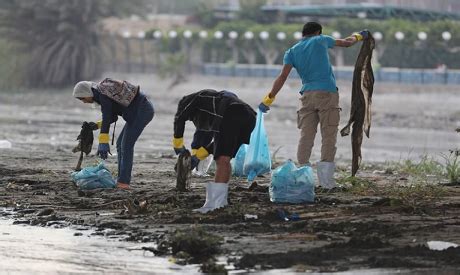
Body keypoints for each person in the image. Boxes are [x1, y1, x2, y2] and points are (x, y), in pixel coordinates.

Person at [258, 22, 368, 189]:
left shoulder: (292, 51)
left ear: (303, 33)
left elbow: (282, 77)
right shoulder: (320, 40)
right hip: (326, 94)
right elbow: (346, 42)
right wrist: (360, 35)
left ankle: (304, 178)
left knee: (306, 136)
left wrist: (269, 98)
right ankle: (326, 182)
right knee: (328, 136)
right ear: (318, 32)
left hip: (306, 96)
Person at [173, 89, 256, 213]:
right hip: (250, 117)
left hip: (231, 112)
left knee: (222, 160)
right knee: (225, 159)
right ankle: (220, 202)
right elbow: (217, 145)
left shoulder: (191, 100)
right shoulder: (213, 109)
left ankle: (214, 205)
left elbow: (179, 118)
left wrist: (178, 146)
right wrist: (198, 156)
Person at [73, 78, 154, 190]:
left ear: (87, 93)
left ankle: (123, 182)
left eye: (82, 98)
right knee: (120, 143)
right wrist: (96, 125)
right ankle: (122, 179)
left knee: (126, 145)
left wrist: (103, 142)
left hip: (142, 112)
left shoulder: (103, 95)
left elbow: (107, 117)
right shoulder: (102, 93)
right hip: (138, 112)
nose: (84, 101)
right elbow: (112, 117)